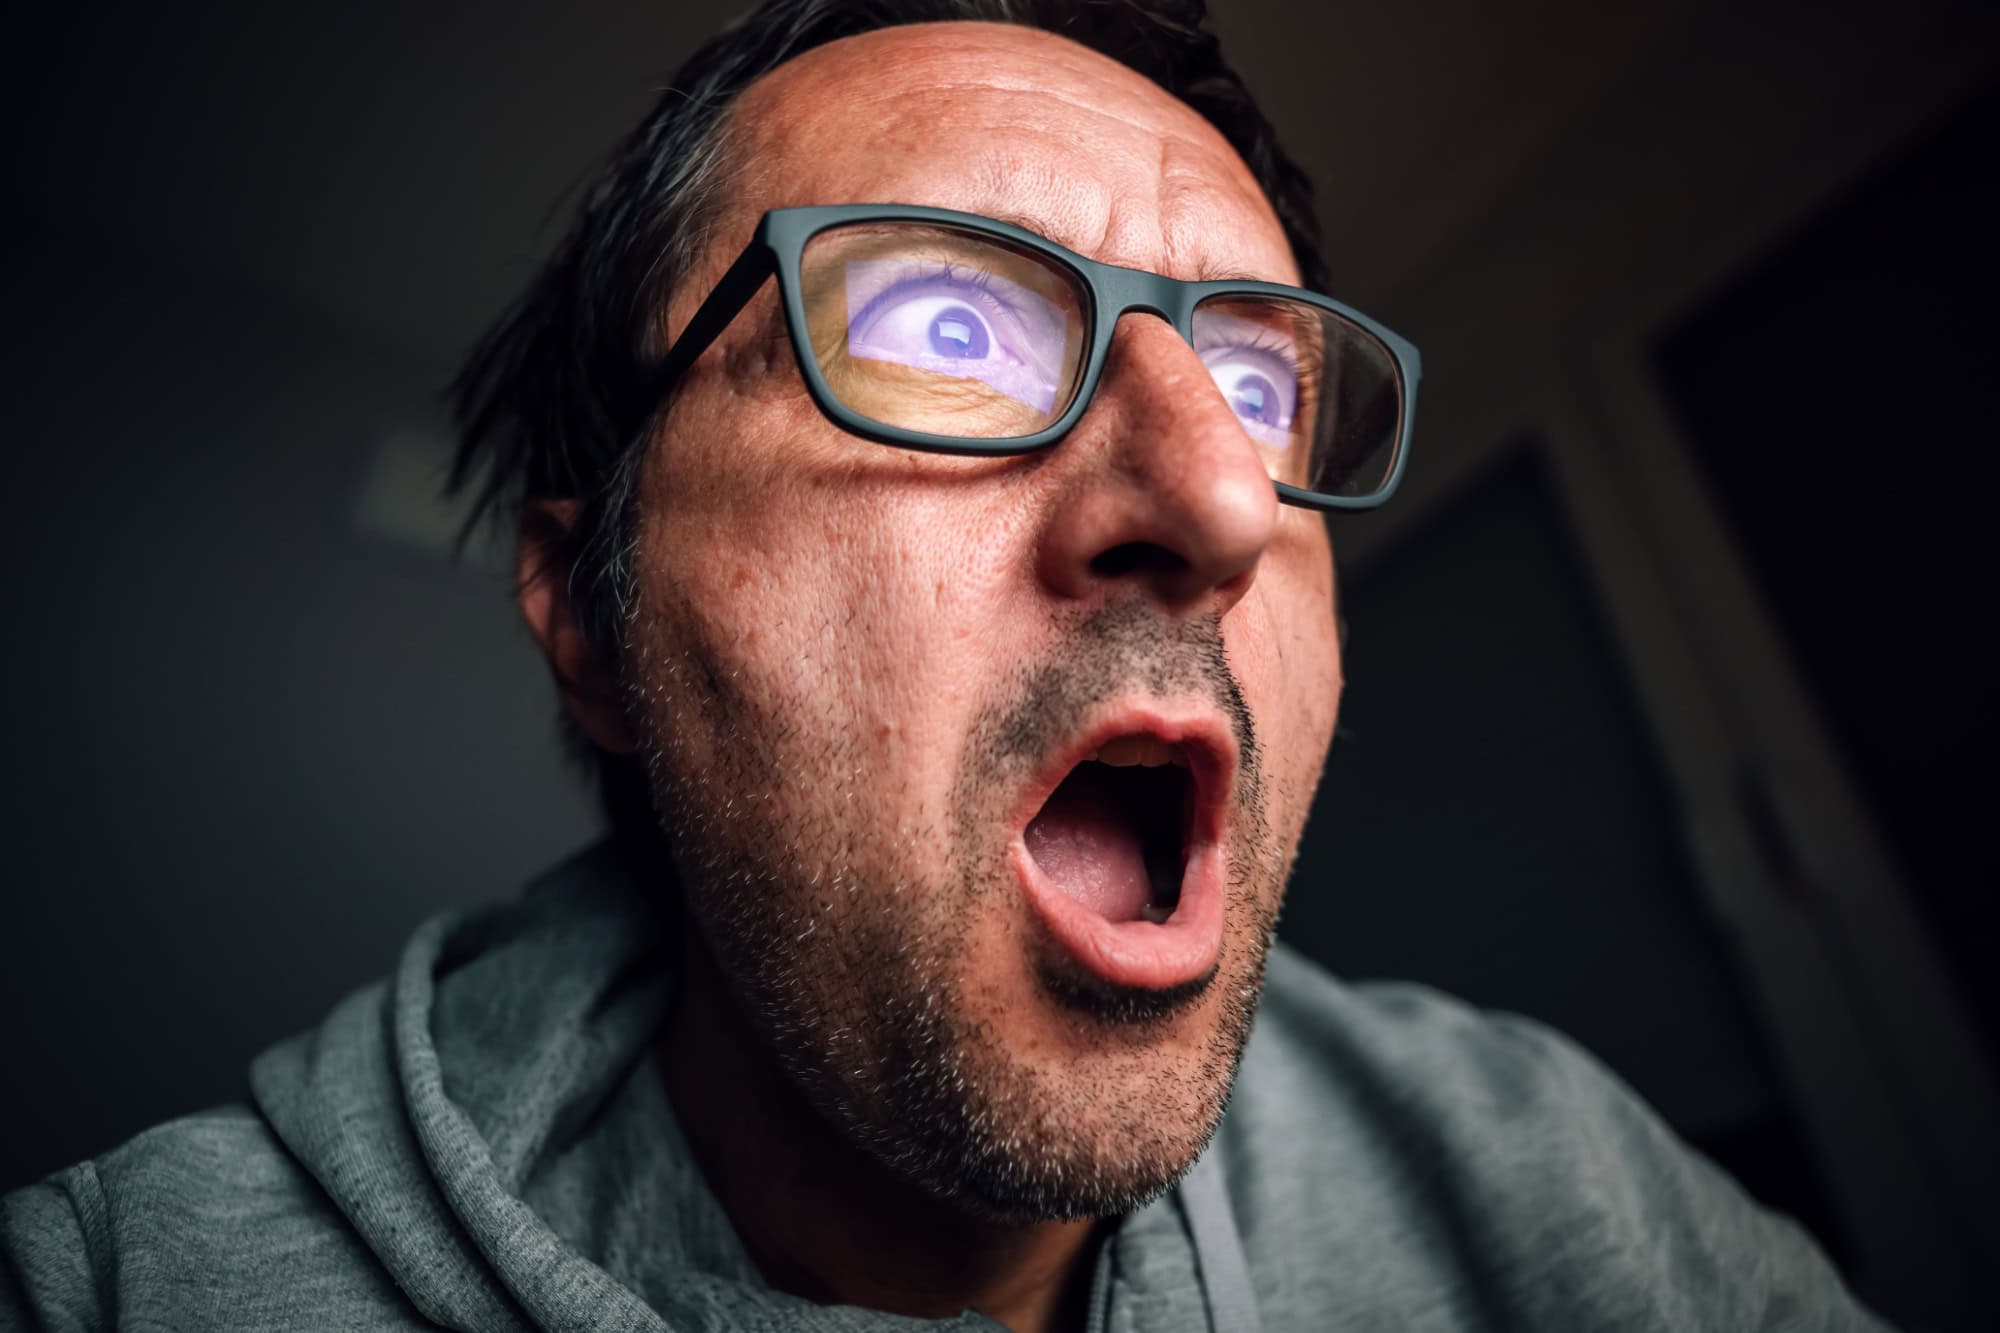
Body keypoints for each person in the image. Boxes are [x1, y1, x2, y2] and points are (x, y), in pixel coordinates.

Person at [0, 1, 1891, 1329]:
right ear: (592, 614)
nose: (1217, 498)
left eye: (1253, 383)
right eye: (945, 324)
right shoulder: (119, 1288)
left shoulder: (1539, 1177)